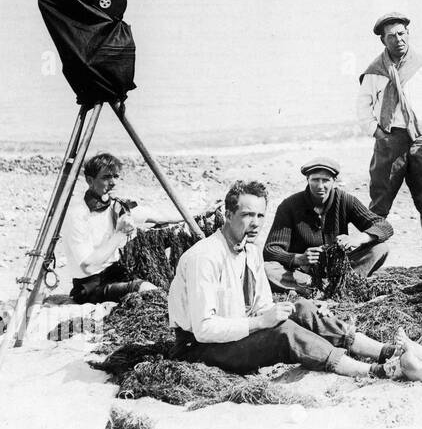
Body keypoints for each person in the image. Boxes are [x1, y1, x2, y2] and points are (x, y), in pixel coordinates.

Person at [170, 181, 397, 378]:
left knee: (301, 307)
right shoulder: (205, 257)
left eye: (260, 215)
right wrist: (259, 323)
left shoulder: (250, 250)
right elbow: (204, 329)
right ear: (228, 215)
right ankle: (371, 371)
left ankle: (385, 352)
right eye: (247, 215)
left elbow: (262, 307)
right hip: (198, 347)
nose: (256, 223)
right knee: (285, 333)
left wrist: (286, 311)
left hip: (233, 330)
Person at [357, 11, 422, 271]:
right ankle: (367, 261)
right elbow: (363, 107)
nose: (398, 39)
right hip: (389, 141)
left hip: (420, 140)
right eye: (391, 36)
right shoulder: (374, 72)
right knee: (379, 203)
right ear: (383, 41)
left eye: (402, 33)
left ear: (408, 34)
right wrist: (377, 132)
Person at [262, 157, 393, 292]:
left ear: (334, 181)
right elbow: (270, 250)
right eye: (315, 180)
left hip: (340, 268)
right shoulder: (289, 205)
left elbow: (384, 226)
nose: (320, 186)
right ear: (307, 179)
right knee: (268, 269)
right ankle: (314, 286)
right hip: (303, 272)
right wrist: (298, 258)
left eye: (325, 180)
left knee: (380, 248)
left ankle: (342, 284)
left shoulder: (345, 201)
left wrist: (357, 239)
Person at [61, 152, 167, 303]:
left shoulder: (115, 206)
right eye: (106, 177)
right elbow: (88, 266)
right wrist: (119, 233)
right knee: (148, 290)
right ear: (90, 180)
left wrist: (196, 215)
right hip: (90, 286)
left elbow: (155, 216)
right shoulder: (79, 214)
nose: (113, 182)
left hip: (114, 274)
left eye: (116, 176)